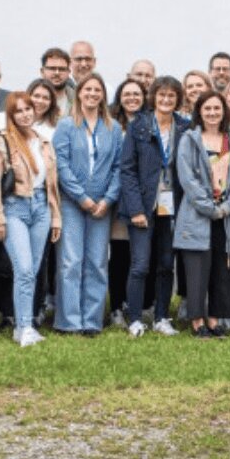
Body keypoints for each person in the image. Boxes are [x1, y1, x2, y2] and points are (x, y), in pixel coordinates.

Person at [0, 91, 61, 347]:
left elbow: (52, 185)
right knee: (25, 269)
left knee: (33, 270)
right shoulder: (2, 142)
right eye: (19, 110)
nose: (25, 114)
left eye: (28, 109)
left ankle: (23, 326)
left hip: (41, 208)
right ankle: (25, 326)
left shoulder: (43, 141)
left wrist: (56, 217)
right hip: (14, 208)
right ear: (11, 115)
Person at [53, 74, 122, 337]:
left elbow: (118, 167)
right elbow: (62, 165)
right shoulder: (66, 125)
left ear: (103, 95)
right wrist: (81, 197)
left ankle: (92, 321)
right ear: (79, 93)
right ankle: (70, 321)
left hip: (102, 205)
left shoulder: (113, 127)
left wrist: (107, 199)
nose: (92, 94)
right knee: (71, 262)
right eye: (88, 89)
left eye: (97, 90)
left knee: (96, 261)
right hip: (73, 202)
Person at [120, 76, 186, 337]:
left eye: (171, 96)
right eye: (162, 95)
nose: (166, 100)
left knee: (166, 264)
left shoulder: (185, 127)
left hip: (172, 207)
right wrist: (135, 209)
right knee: (140, 265)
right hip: (143, 208)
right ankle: (135, 318)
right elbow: (127, 170)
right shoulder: (139, 126)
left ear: (177, 99)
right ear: (154, 97)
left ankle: (161, 317)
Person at [176, 93, 230, 338]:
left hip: (226, 217)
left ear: (224, 111)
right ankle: (196, 321)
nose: (213, 112)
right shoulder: (189, 140)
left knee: (220, 271)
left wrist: (226, 208)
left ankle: (214, 320)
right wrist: (209, 208)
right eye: (208, 108)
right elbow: (187, 179)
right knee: (197, 272)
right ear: (199, 112)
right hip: (197, 215)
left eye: (217, 108)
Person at [105, 79, 148, 327]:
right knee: (120, 254)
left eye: (137, 94)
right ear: (120, 97)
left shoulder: (148, 122)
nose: (132, 98)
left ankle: (139, 304)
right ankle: (117, 307)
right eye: (127, 94)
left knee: (140, 256)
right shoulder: (111, 124)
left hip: (142, 198)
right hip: (116, 198)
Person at [40, 47, 74, 115]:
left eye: (61, 69)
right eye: (52, 68)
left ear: (69, 72)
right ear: (42, 72)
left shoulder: (80, 101)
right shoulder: (31, 102)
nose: (57, 73)